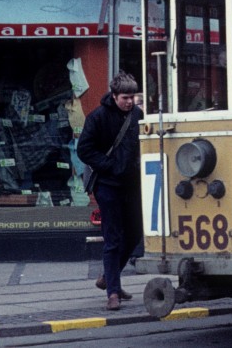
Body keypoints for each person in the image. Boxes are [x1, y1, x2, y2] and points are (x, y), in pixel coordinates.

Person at [77, 72, 143, 311]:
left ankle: (109, 278)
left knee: (135, 233)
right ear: (114, 96)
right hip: (107, 185)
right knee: (113, 238)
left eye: (132, 97)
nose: (130, 102)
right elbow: (84, 150)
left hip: (132, 184)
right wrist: (111, 166)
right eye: (125, 97)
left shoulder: (137, 115)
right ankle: (113, 292)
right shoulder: (98, 117)